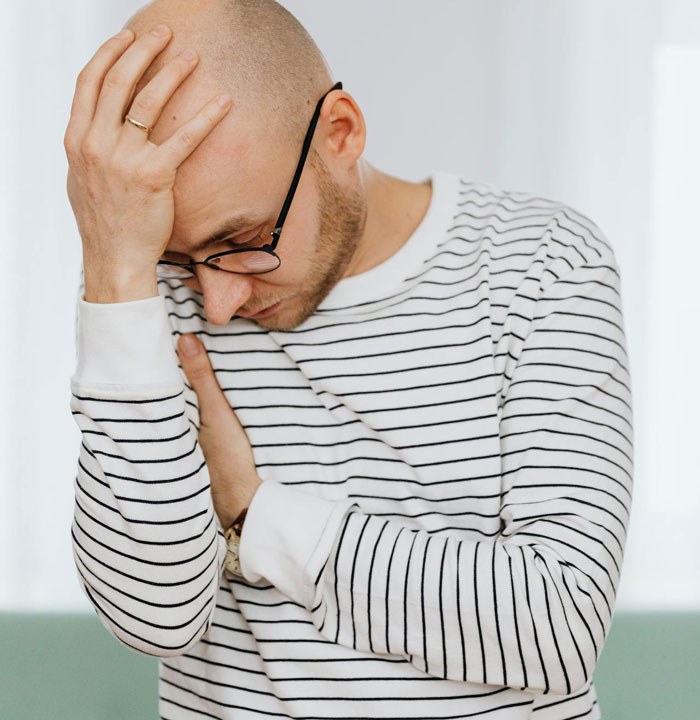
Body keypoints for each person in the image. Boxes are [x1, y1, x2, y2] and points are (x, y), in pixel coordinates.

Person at [63, 1, 633, 718]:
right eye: (181, 259)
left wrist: (255, 514)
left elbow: (558, 630)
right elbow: (154, 616)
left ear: (341, 131)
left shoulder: (540, 263)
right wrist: (114, 268)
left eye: (245, 237)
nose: (216, 301)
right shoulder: (142, 298)